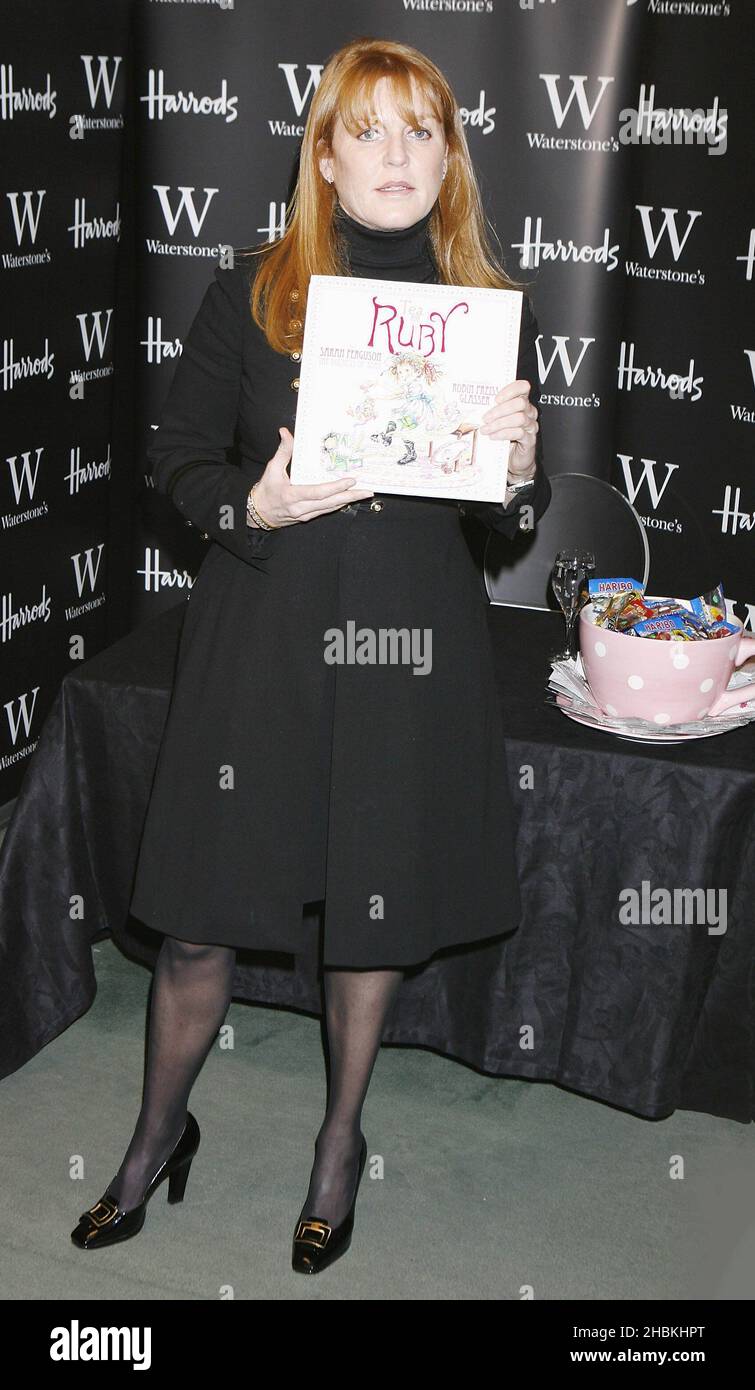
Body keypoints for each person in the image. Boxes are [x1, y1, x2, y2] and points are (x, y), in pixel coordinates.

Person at [70, 36, 551, 1274]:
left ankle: (340, 1142)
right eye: (367, 130)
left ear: (448, 158)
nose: (394, 153)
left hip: (407, 655)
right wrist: (256, 510)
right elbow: (176, 458)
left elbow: (502, 526)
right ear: (325, 158)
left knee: (371, 915)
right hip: (262, 641)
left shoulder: (487, 311)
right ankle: (155, 1131)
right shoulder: (253, 290)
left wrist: (515, 472)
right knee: (194, 924)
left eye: (420, 131)